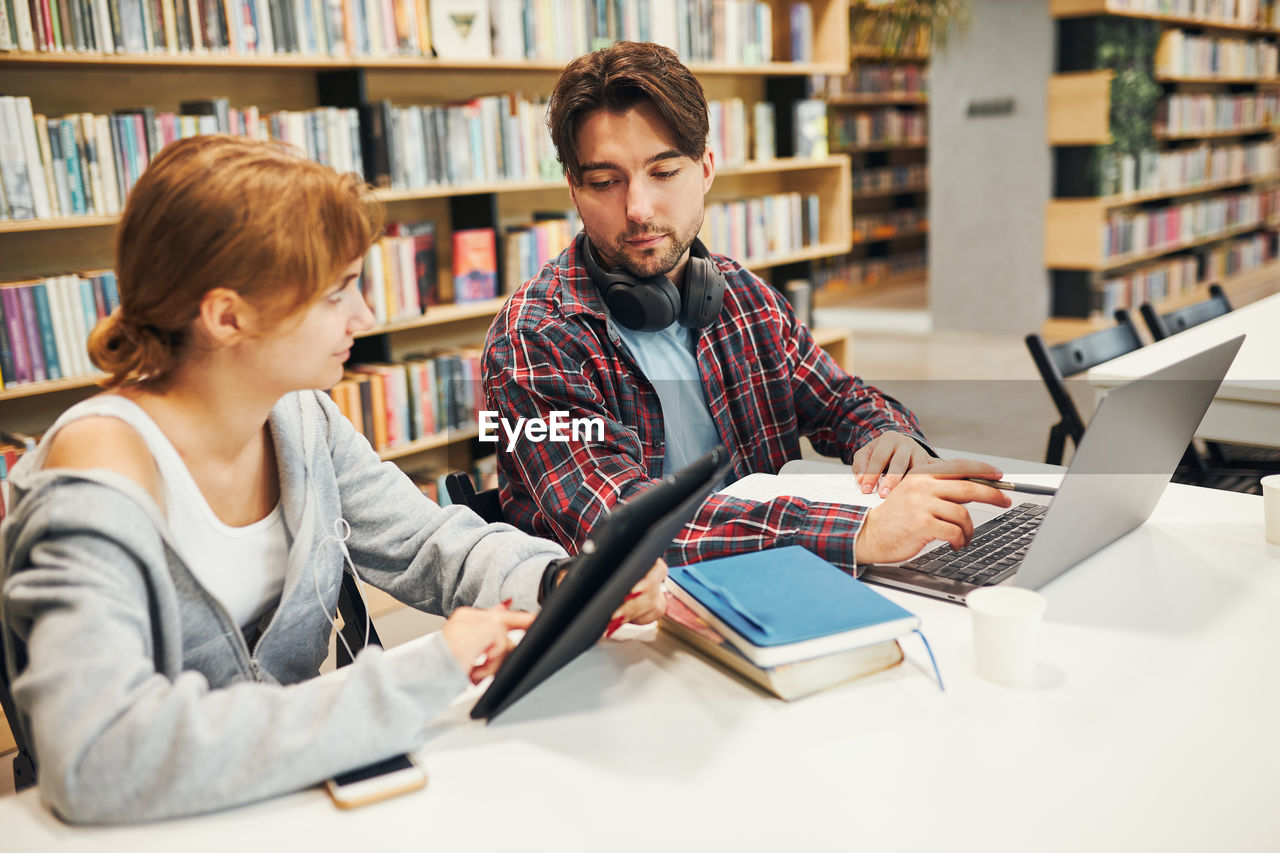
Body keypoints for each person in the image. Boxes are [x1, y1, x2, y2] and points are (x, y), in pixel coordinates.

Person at [0, 135, 664, 825]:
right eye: (337, 292)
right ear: (228, 316)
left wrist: (562, 582)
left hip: (289, 805)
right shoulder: (94, 474)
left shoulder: (298, 416)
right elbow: (97, 757)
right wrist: (430, 666)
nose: (366, 318)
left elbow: (427, 542)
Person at [482, 42, 1011, 574]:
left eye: (664, 172)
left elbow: (841, 400)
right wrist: (859, 533)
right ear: (574, 188)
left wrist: (888, 437)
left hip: (770, 580)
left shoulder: (743, 296)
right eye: (604, 182)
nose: (638, 209)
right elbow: (624, 525)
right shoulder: (533, 338)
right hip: (625, 623)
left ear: (706, 169)